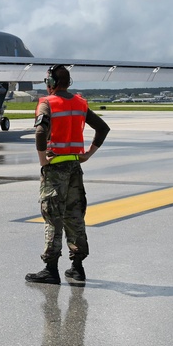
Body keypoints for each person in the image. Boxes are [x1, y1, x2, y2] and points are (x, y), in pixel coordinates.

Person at [26, 64, 110, 284]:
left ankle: (50, 269)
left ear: (51, 83)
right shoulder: (80, 103)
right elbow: (103, 128)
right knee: (75, 217)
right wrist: (88, 154)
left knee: (52, 218)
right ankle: (77, 267)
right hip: (75, 167)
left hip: (55, 169)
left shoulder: (47, 103)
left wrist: (42, 159)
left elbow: (41, 131)